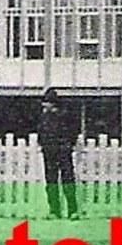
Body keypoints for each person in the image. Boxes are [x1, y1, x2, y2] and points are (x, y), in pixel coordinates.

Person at [37, 88, 80, 220]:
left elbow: (74, 131)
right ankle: (54, 210)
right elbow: (41, 132)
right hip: (50, 152)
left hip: (62, 151)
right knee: (51, 181)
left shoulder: (64, 116)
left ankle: (72, 210)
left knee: (67, 180)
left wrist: (68, 144)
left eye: (46, 102)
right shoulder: (44, 117)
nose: (44, 105)